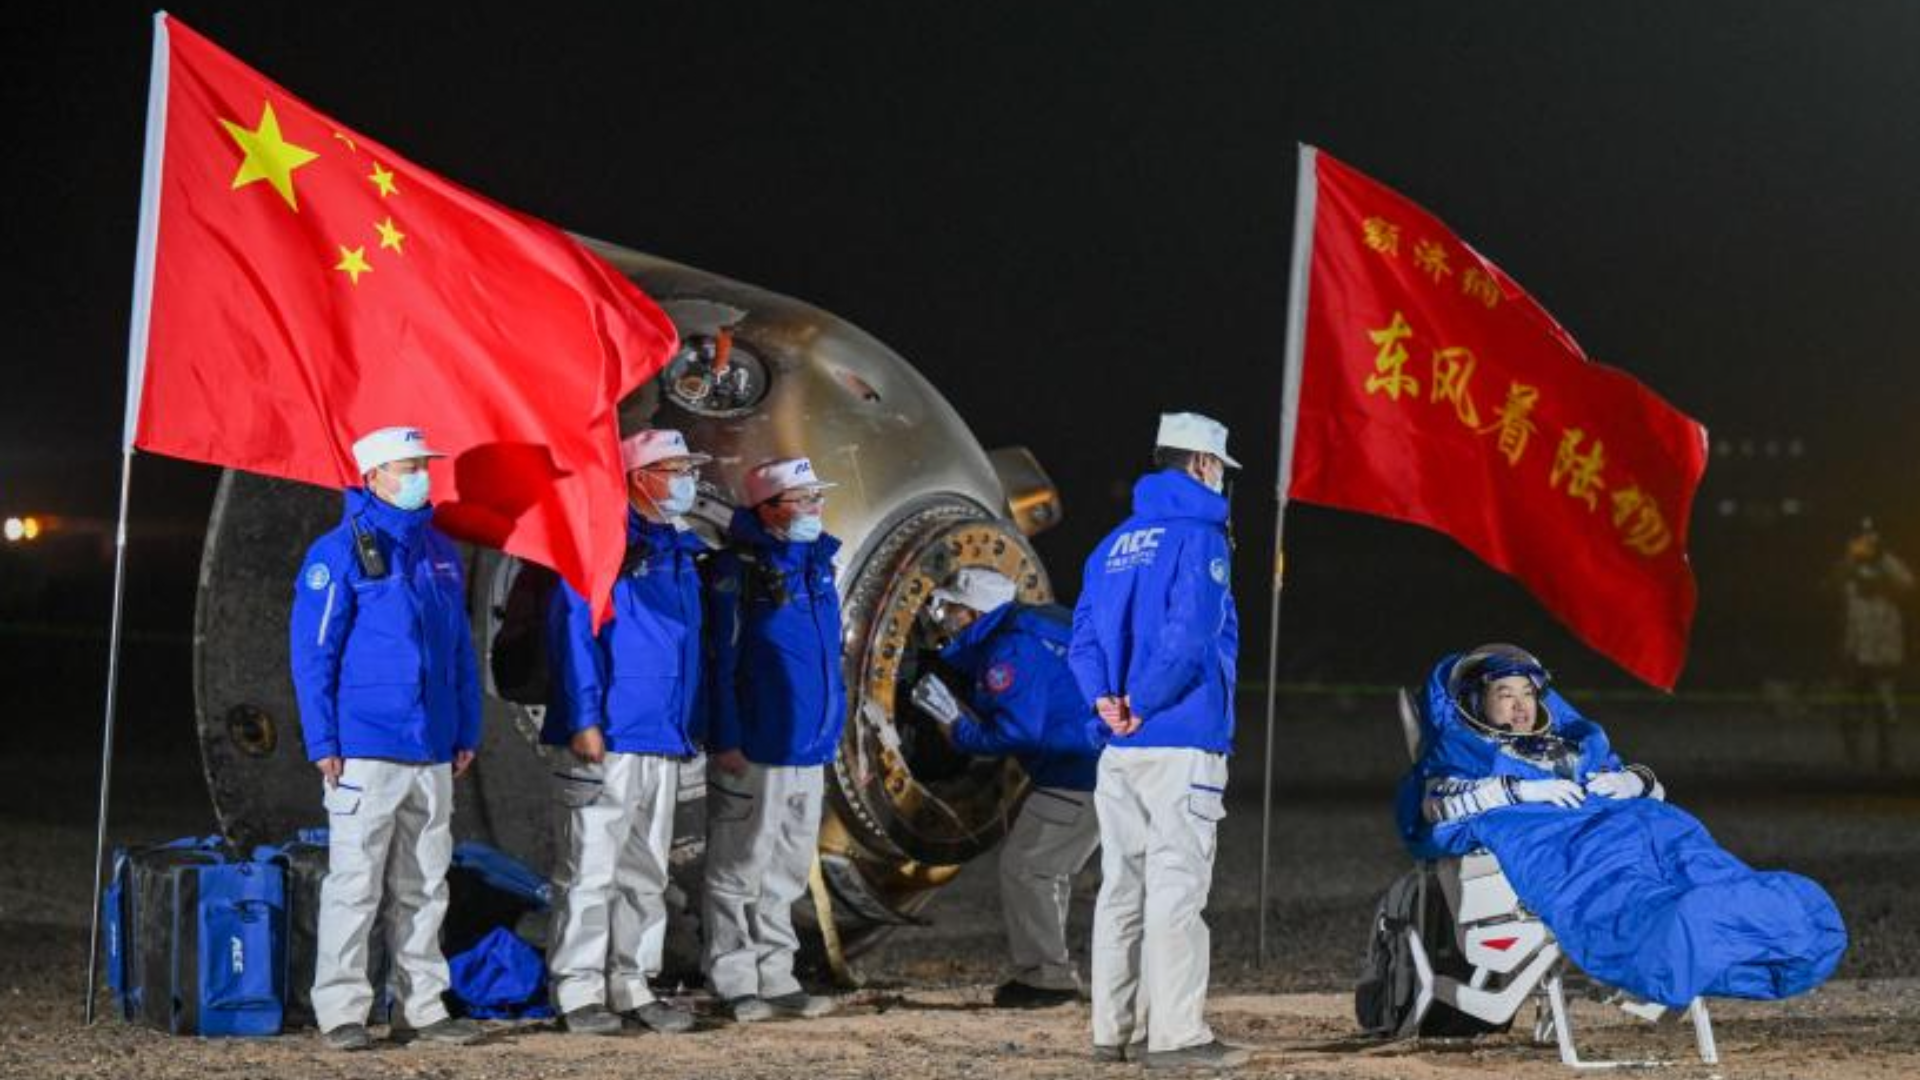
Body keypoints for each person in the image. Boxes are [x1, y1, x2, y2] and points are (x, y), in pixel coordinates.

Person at [1399, 644, 1847, 1009]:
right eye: (1506, 694)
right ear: (1477, 701)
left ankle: (1753, 913)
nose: (1521, 706)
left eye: (1528, 694)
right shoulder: (1467, 755)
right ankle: (1680, 929)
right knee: (1631, 897)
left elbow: (1651, 792)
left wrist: (1634, 780)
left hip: (1636, 826)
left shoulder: (1571, 744)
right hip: (1562, 844)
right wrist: (1518, 792)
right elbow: (1438, 808)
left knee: (1685, 852)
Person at [289, 426, 484, 1051]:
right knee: (355, 881)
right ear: (373, 477)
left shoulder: (440, 551)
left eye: (425, 464)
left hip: (431, 748)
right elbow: (313, 654)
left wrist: (465, 729)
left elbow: (458, 652)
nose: (423, 475)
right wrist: (323, 740)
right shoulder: (336, 552)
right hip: (365, 748)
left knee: (425, 882)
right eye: (410, 466)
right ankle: (343, 1009)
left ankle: (421, 1007)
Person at [1067, 412, 1247, 1069]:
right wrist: (1143, 702)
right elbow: (1189, 634)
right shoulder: (1201, 537)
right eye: (1221, 470)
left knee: (1122, 885)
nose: (1223, 483)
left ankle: (1111, 1032)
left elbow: (1082, 638)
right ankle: (1176, 1036)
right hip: (1177, 734)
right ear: (1203, 465)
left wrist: (1106, 704)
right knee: (1176, 887)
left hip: (1120, 746)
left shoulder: (1112, 543)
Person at [542, 429, 711, 1036]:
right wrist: (584, 717)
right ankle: (578, 992)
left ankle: (632, 984)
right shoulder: (599, 545)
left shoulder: (677, 554)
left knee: (645, 873)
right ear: (639, 477)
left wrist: (691, 725)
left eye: (688, 466)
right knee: (590, 869)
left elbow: (689, 653)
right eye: (674, 467)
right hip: (608, 737)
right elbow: (574, 636)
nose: (686, 478)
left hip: (662, 738)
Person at [910, 568, 1105, 1009]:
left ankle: (1046, 978)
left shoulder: (1009, 650)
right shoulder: (1038, 621)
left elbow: (1016, 734)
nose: (942, 620)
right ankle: (1058, 971)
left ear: (974, 612)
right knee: (1046, 869)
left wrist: (954, 726)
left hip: (1074, 771)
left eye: (951, 610)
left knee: (1028, 868)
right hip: (1104, 762)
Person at [701, 456, 845, 1023]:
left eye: (817, 499)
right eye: (804, 500)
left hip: (809, 746)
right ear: (768, 509)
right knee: (741, 864)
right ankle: (735, 981)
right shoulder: (737, 571)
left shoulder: (816, 567)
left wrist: (830, 733)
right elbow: (721, 660)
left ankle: (776, 976)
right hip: (757, 745)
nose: (815, 510)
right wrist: (727, 737)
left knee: (786, 865)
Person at [1835, 518, 1912, 770]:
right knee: (1852, 709)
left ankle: (1886, 760)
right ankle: (1853, 760)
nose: (1866, 544)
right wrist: (1851, 559)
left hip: (1884, 650)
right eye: (1862, 539)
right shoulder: (1848, 570)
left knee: (1886, 708)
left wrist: (1883, 558)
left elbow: (1909, 584)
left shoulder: (1890, 568)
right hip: (1856, 649)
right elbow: (1832, 586)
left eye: (1871, 539)